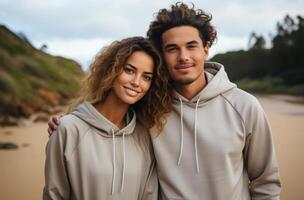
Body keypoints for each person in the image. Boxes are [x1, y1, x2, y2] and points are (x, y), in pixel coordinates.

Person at [48, 2, 281, 200]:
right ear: (162, 55)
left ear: (206, 50)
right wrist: (71, 124)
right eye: (172, 49)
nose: (183, 57)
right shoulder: (151, 106)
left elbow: (266, 183)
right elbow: (110, 120)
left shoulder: (244, 106)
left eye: (191, 46)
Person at [43, 36, 172, 200]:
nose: (136, 82)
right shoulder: (68, 129)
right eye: (129, 70)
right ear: (112, 70)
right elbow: (54, 195)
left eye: (146, 77)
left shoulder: (144, 135)